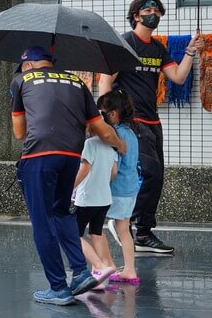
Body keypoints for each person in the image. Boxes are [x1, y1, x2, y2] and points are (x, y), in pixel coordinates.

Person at [10, 46, 126, 306]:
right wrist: (119, 144)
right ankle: (81, 272)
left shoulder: (21, 80)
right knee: (62, 212)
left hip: (38, 155)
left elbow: (19, 132)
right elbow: (101, 129)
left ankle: (58, 288)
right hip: (71, 156)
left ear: (27, 65)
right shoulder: (76, 81)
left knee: (42, 221)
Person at [99, 0, 205, 253]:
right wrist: (109, 120)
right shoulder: (125, 44)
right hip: (131, 122)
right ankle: (124, 221)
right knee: (150, 173)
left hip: (152, 121)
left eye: (157, 11)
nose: (154, 14)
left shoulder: (158, 49)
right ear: (136, 15)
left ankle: (143, 234)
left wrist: (191, 51)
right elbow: (104, 81)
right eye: (148, 10)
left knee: (156, 178)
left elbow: (178, 77)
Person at [98, 90, 140, 283]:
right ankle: (130, 269)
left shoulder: (115, 136)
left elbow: (114, 171)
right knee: (124, 228)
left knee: (94, 227)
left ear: (113, 114)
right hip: (131, 188)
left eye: (102, 113)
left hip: (117, 189)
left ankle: (106, 264)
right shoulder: (131, 132)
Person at [73, 128, 118, 289]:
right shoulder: (111, 146)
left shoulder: (89, 144)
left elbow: (84, 169)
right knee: (96, 233)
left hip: (87, 198)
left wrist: (71, 187)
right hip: (104, 198)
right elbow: (114, 173)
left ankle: (99, 266)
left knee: (74, 234)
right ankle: (102, 272)